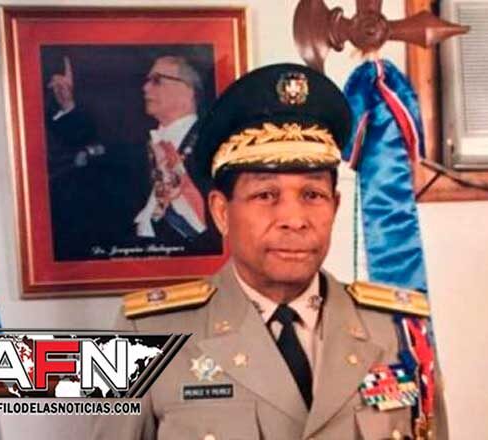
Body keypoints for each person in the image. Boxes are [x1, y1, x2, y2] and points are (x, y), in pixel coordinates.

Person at [92, 63, 447, 439]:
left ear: (335, 206)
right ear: (221, 212)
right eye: (265, 195)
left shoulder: (400, 328)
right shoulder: (136, 330)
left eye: (312, 195)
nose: (294, 219)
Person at [45, 55, 219, 260]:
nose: (145, 88)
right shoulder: (141, 147)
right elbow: (94, 151)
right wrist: (68, 105)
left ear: (187, 91)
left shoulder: (214, 144)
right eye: (147, 81)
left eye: (157, 80)